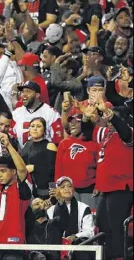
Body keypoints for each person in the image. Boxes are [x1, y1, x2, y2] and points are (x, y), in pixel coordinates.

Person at [80, 98, 133, 259]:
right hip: (105, 188)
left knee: (116, 227)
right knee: (103, 227)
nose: (107, 121)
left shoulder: (128, 132)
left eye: (111, 119)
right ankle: (106, 256)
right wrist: (85, 118)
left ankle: (118, 257)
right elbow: (89, 133)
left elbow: (124, 131)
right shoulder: (107, 134)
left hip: (121, 187)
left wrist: (110, 114)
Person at [55, 113, 99, 208]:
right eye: (71, 122)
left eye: (77, 122)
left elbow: (100, 168)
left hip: (89, 190)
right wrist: (58, 188)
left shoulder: (94, 144)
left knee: (90, 219)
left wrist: (99, 186)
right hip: (69, 191)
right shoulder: (64, 143)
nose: (72, 124)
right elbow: (59, 169)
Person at [12, 81, 64, 148]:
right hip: (22, 156)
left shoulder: (51, 113)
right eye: (22, 92)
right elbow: (12, 139)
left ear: (37, 95)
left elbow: (58, 141)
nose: (23, 94)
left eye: (28, 91)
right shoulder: (16, 113)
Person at [47, 176, 95, 242]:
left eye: (69, 186)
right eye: (62, 187)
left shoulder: (84, 208)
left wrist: (75, 236)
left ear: (73, 190)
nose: (66, 189)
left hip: (79, 246)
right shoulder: (50, 210)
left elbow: (90, 232)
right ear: (57, 191)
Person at [22, 117, 57, 199]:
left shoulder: (50, 146)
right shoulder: (27, 145)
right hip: (29, 189)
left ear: (44, 130)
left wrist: (35, 168)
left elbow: (53, 169)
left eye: (38, 126)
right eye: (32, 126)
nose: (35, 129)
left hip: (46, 190)